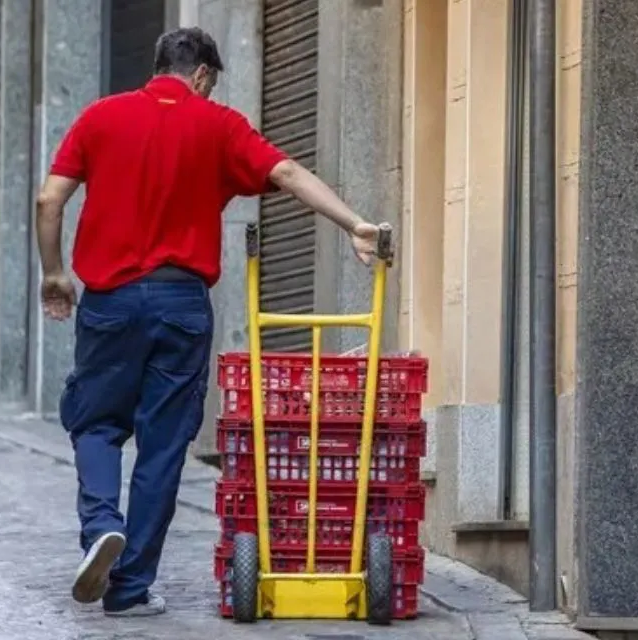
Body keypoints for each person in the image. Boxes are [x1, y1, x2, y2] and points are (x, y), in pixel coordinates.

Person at [35, 27, 381, 617]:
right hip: (181, 303)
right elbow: (288, 174)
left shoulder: (100, 117)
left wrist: (54, 273)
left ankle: (100, 526)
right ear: (201, 74)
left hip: (111, 301)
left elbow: (49, 199)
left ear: (161, 66)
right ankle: (130, 587)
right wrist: (355, 224)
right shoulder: (219, 125)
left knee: (95, 423)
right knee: (164, 447)